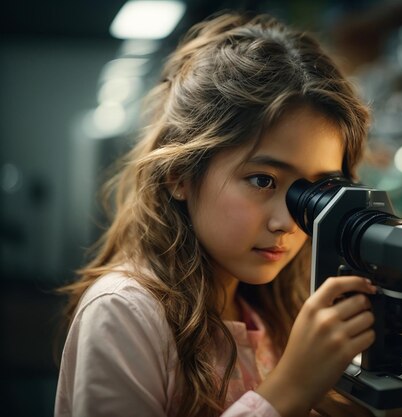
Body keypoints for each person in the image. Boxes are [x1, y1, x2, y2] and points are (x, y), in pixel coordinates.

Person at [54, 10, 376, 417]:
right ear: (179, 175)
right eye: (263, 180)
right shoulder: (124, 314)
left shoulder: (267, 307)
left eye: (315, 192)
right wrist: (290, 389)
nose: (287, 222)